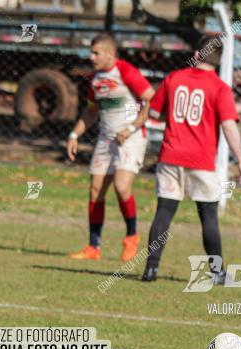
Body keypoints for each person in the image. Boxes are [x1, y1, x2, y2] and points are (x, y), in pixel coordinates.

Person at [138, 35, 241, 283]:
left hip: (170, 155)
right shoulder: (220, 88)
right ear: (219, 61)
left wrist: (177, 118)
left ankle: (151, 269)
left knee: (164, 213)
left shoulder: (174, 78)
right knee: (208, 217)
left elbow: (154, 112)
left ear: (197, 55)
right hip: (201, 160)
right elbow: (229, 128)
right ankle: (218, 272)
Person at [66, 33, 153, 262]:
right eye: (91, 53)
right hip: (106, 139)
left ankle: (132, 236)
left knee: (122, 186)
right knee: (95, 190)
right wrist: (75, 134)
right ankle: (93, 247)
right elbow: (92, 111)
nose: (91, 57)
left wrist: (131, 127)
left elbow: (150, 98)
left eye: (96, 53)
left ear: (110, 54)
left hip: (130, 138)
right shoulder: (95, 79)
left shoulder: (125, 71)